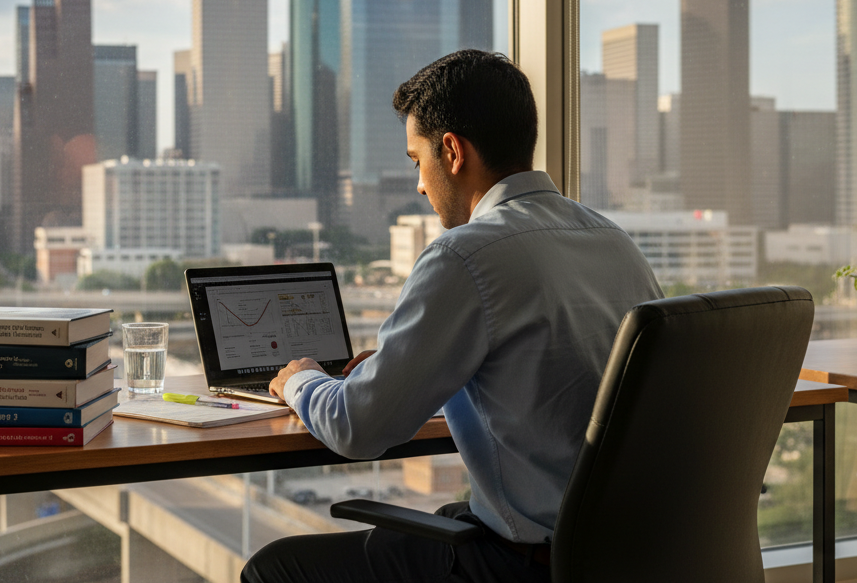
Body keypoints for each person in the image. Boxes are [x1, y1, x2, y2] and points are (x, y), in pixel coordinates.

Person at [240, 50, 663, 583]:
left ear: (452, 152)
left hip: (524, 565)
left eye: (417, 160)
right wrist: (404, 369)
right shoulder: (613, 240)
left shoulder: (465, 254)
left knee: (275, 568)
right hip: (628, 556)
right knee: (443, 522)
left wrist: (301, 380)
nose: (419, 183)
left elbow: (358, 428)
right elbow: (552, 374)